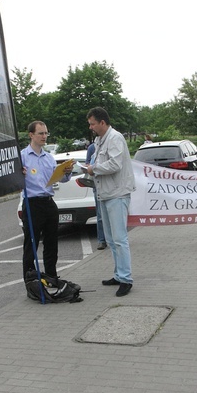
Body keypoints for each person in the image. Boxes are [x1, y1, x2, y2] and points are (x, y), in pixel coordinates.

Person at [85, 107, 135, 297]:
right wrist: (90, 167)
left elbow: (115, 164)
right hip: (105, 194)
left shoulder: (115, 138)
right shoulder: (99, 140)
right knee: (111, 239)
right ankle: (118, 274)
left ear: (102, 123)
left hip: (117, 194)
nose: (91, 127)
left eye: (92, 124)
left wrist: (93, 169)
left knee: (120, 239)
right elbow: (98, 162)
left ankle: (126, 279)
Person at [20, 121, 74, 280]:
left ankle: (51, 277)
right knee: (31, 244)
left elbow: (60, 179)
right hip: (32, 203)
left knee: (51, 244)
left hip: (48, 202)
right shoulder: (22, 157)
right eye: (41, 133)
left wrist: (66, 172)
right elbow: (13, 181)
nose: (44, 136)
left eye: (46, 133)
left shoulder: (49, 158)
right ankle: (31, 281)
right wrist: (18, 175)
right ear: (31, 135)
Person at [85, 139, 107, 250]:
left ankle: (113, 239)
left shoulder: (110, 145)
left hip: (110, 184)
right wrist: (89, 167)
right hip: (97, 184)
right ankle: (102, 240)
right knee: (100, 214)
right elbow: (87, 163)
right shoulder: (92, 148)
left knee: (113, 214)